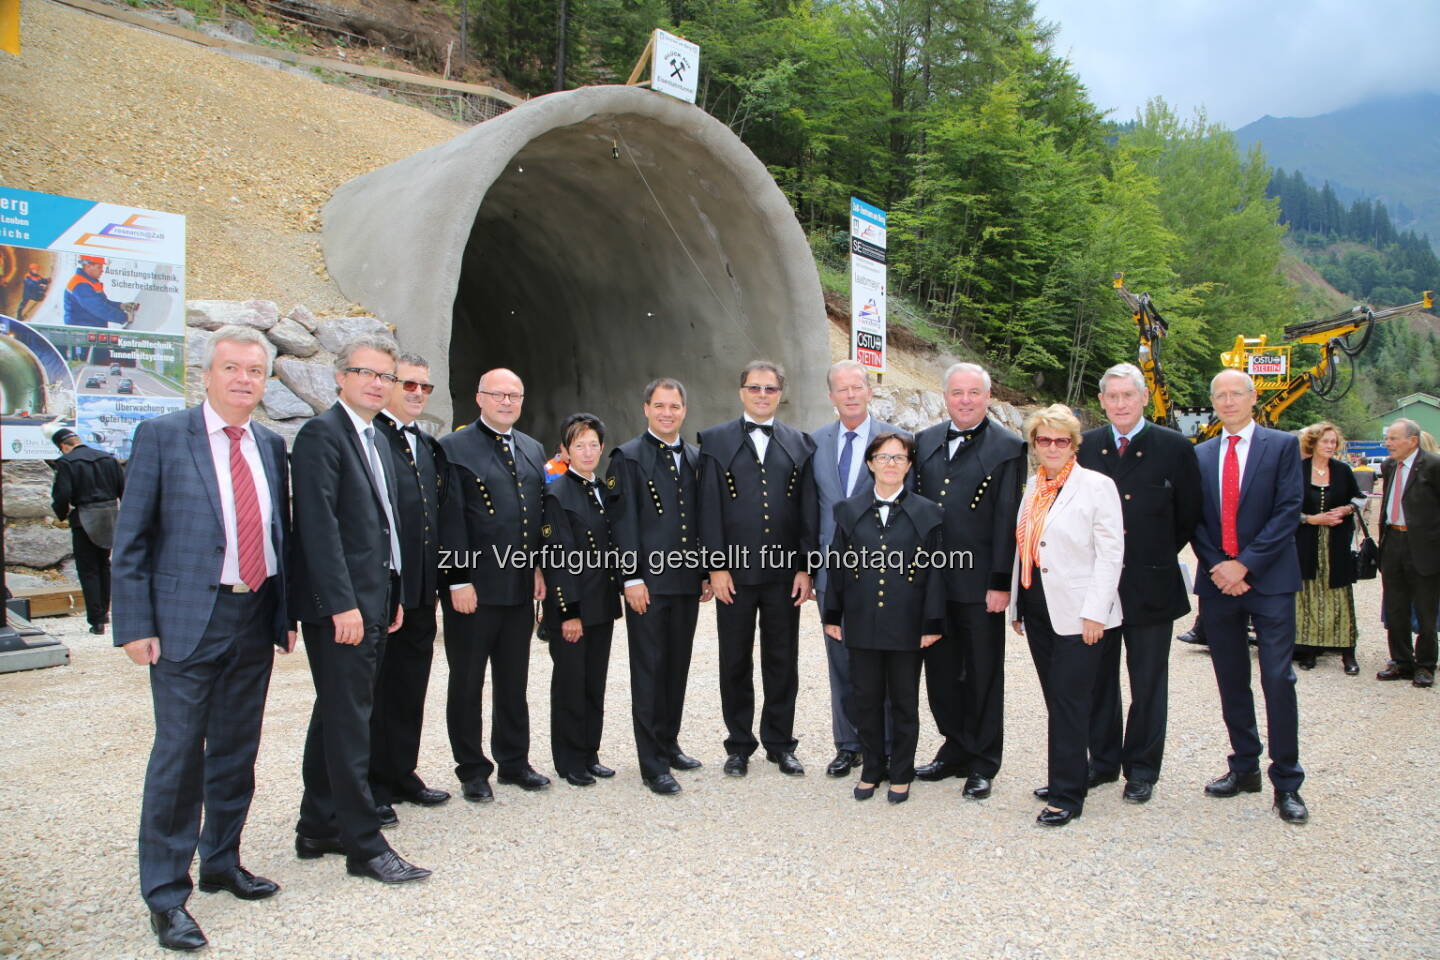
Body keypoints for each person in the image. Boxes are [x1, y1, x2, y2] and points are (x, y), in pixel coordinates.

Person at [110, 326, 294, 951]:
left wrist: (285, 611)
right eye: (232, 368)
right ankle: (166, 896)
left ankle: (221, 861)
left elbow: (278, 535)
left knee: (236, 750)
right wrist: (134, 623)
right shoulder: (164, 438)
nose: (244, 379)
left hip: (253, 615)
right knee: (178, 756)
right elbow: (130, 539)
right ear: (208, 374)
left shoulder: (270, 446)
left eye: (255, 370)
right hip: (189, 620)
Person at [290, 335, 430, 884]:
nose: (377, 383)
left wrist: (391, 593)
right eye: (365, 373)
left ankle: (317, 823)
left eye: (385, 376)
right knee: (352, 723)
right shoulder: (322, 435)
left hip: (376, 600)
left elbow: (383, 528)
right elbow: (319, 530)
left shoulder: (372, 438)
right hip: (343, 607)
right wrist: (341, 604)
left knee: (335, 713)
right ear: (340, 378)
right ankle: (364, 845)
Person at [1071, 363, 1200, 805]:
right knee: (1098, 679)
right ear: (1102, 401)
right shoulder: (1084, 447)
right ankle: (1102, 761)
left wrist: (1151, 555)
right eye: (1113, 397)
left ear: (1144, 398)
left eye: (1129, 395)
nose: (1121, 404)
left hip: (1151, 584)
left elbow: (1186, 515)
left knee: (1148, 683)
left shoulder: (1175, 447)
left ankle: (1142, 768)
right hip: (1098, 590)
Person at [1193, 369, 1307, 824]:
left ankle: (1288, 782)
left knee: (1278, 679)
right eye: (1219, 395)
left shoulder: (1281, 446)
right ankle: (1244, 767)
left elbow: (1287, 511)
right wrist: (1220, 566)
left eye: (1235, 393)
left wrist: (1247, 564)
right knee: (1230, 678)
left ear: (1253, 397)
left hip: (1270, 580)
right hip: (1219, 584)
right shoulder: (1199, 454)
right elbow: (1193, 518)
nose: (1227, 401)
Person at [698, 360, 818, 777]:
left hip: (785, 574)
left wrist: (806, 567)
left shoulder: (800, 444)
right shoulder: (714, 441)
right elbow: (708, 508)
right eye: (755, 387)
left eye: (770, 389)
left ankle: (781, 743)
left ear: (780, 393)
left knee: (783, 659)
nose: (762, 395)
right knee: (734, 659)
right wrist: (715, 567)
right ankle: (738, 744)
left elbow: (808, 510)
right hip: (734, 573)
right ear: (741, 391)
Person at [911, 362, 1024, 799]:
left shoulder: (1009, 446)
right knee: (939, 673)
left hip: (980, 585)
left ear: (988, 396)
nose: (965, 400)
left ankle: (983, 760)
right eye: (957, 392)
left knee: (982, 672)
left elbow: (1006, 519)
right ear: (945, 397)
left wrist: (1000, 583)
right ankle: (954, 747)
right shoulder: (923, 442)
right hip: (933, 582)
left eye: (973, 392)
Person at [1008, 405, 1123, 827]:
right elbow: (1026, 549)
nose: (1052, 447)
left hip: (1081, 613)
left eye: (1061, 440)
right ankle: (1074, 771)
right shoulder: (1034, 487)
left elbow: (1111, 554)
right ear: (1035, 445)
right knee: (1057, 699)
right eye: (1044, 439)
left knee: (1070, 702)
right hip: (1039, 609)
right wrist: (1019, 605)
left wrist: (1096, 612)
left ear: (1074, 444)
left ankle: (1066, 795)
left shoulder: (1096, 486)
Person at [439, 368, 552, 800]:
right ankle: (471, 769)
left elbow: (536, 516)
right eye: (498, 394)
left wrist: (539, 567)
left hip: (519, 586)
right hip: (474, 589)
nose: (507, 402)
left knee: (513, 678)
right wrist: (457, 579)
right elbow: (450, 520)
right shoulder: (453, 447)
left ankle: (514, 761)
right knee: (467, 681)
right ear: (479, 398)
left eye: (515, 395)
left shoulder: (530, 447)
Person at [823, 432, 944, 803]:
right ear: (870, 462)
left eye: (899, 458)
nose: (891, 464)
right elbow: (838, 564)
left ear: (909, 465)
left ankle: (902, 771)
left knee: (905, 701)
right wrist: (832, 613)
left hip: (908, 624)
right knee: (867, 699)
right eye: (883, 457)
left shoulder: (929, 512)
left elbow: (936, 573)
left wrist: (932, 623)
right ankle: (872, 768)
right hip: (862, 622)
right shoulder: (847, 509)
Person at [606, 378, 710, 795]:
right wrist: (630, 577)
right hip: (647, 583)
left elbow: (702, 520)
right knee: (649, 670)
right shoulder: (627, 458)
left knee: (676, 667)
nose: (668, 413)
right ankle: (651, 763)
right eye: (660, 405)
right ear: (646, 408)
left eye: (675, 406)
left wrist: (705, 571)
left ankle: (668, 743)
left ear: (684, 410)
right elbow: (622, 523)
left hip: (685, 581)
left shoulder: (696, 458)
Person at [367, 353, 456, 828]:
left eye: (425, 387)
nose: (418, 393)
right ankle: (371, 783)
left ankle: (402, 771)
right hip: (384, 590)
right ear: (388, 385)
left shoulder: (424, 445)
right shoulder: (372, 439)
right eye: (410, 385)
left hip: (421, 589)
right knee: (377, 689)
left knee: (410, 686)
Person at [810, 360, 907, 778]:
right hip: (832, 571)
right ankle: (848, 744)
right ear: (830, 396)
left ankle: (883, 747)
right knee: (841, 660)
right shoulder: (814, 443)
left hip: (882, 571)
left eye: (857, 387)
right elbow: (808, 511)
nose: (850, 395)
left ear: (869, 391)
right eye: (841, 389)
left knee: (884, 658)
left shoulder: (897, 441)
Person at [540, 413, 621, 787]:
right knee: (570, 685)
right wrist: (567, 611)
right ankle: (569, 760)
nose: (587, 451)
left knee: (594, 683)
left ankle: (590, 752)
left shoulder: (601, 489)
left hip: (601, 603)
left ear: (601, 448)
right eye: (579, 445)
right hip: (573, 608)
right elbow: (557, 557)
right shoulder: (557, 493)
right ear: (565, 451)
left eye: (593, 444)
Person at [1376, 418, 1440, 688]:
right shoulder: (1389, 465)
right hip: (1393, 542)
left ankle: (1425, 665)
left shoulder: (1434, 465)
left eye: (1393, 438)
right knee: (1396, 607)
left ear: (1412, 441)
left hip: (1424, 547)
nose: (1387, 443)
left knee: (1425, 609)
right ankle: (1401, 661)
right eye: (1387, 438)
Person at [1294, 422, 1362, 675]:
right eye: (1326, 441)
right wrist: (1310, 519)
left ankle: (1348, 652)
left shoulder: (1343, 470)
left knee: (1340, 596)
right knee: (1307, 595)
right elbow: (1284, 507)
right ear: (1313, 443)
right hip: (1307, 542)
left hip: (1336, 544)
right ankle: (1310, 649)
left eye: (1333, 442)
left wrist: (1347, 508)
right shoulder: (1298, 470)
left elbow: (1358, 497)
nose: (1331, 446)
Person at [49, 425, 124, 635]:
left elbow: (62, 495)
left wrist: (61, 513)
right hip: (110, 516)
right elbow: (124, 489)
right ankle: (105, 612)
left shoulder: (66, 462)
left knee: (88, 569)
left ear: (63, 446)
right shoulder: (108, 458)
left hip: (85, 518)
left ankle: (97, 620)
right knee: (104, 565)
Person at [63, 255, 135, 327]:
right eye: (99, 267)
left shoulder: (90, 282)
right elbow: (98, 308)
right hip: (84, 329)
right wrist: (124, 317)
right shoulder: (81, 285)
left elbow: (102, 302)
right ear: (88, 266)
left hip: (91, 327)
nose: (102, 270)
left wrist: (120, 306)